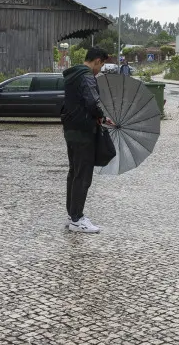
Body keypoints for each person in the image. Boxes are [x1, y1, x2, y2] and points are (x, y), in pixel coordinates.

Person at [61, 47, 111, 234]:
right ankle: (77, 219)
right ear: (97, 60)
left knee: (74, 173)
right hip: (84, 131)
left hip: (71, 129)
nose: (101, 69)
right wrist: (102, 117)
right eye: (102, 64)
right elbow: (92, 102)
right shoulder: (87, 76)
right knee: (83, 175)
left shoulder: (72, 75)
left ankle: (72, 214)